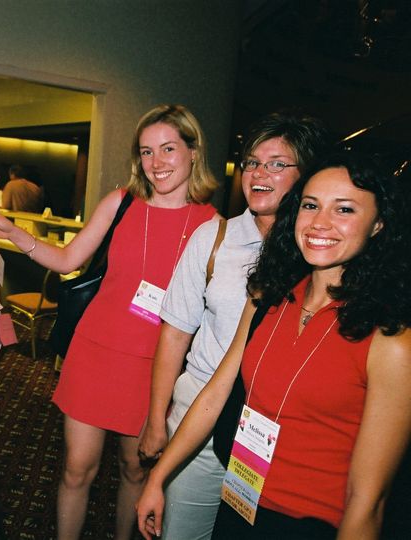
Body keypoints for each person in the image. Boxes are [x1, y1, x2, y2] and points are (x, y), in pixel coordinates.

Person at [136, 152, 411, 539]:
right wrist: (158, 478)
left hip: (311, 525)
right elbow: (216, 393)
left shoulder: (390, 340)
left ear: (379, 224)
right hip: (241, 499)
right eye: (311, 205)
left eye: (344, 209)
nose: (320, 223)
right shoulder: (267, 297)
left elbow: (368, 500)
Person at [0, 104, 219, 539]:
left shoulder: (212, 227)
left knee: (134, 470)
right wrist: (15, 233)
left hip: (155, 368)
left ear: (193, 151)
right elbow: (70, 259)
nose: (157, 163)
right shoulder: (122, 202)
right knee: (76, 470)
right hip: (95, 352)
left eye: (168, 149)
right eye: (146, 152)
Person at [137, 112, 330, 539]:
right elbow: (174, 333)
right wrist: (156, 418)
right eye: (253, 161)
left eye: (278, 163)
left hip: (269, 426)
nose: (260, 173)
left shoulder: (319, 254)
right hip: (199, 414)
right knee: (181, 532)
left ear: (308, 176)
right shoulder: (214, 238)